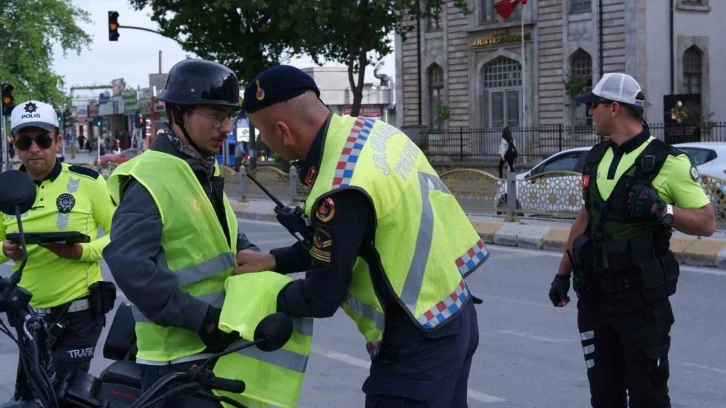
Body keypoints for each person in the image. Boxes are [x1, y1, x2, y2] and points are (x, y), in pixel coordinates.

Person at [234, 65, 488, 407]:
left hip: (415, 342)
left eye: (261, 133)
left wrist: (261, 296)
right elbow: (346, 241)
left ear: (283, 130)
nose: (263, 141)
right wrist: (275, 260)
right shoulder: (372, 134)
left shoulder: (339, 187)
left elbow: (322, 296)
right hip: (452, 312)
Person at [548, 73, 716, 408]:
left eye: (593, 105)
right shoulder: (596, 157)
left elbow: (707, 222)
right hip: (595, 297)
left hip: (641, 301)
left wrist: (660, 208)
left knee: (647, 397)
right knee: (604, 396)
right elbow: (587, 215)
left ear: (614, 108)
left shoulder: (668, 161)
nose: (588, 112)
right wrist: (562, 273)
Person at [102, 58, 262, 394]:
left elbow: (216, 233)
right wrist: (199, 318)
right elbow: (130, 265)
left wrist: (250, 252)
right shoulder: (151, 176)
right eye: (216, 117)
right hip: (171, 361)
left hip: (212, 348)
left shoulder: (202, 167)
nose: (227, 128)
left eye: (230, 116)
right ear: (177, 114)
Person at [0, 100, 117, 389]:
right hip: (27, 317)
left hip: (78, 315)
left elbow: (122, 234)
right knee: (31, 394)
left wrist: (82, 252)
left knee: (65, 395)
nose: (34, 149)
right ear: (13, 144)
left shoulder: (88, 182)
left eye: (43, 140)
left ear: (58, 141)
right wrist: (5, 249)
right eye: (25, 142)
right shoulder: (6, 190)